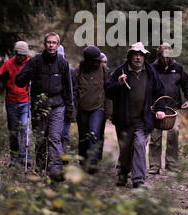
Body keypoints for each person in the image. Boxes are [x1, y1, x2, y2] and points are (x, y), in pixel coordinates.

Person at [105, 42, 166, 188]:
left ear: (144, 57)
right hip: (123, 119)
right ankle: (122, 174)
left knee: (139, 145)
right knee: (125, 148)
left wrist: (160, 109)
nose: (138, 57)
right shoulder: (120, 71)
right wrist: (118, 84)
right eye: (135, 54)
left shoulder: (151, 72)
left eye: (141, 55)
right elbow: (108, 91)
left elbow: (160, 92)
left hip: (143, 119)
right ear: (130, 56)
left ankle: (138, 179)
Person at [15, 32, 73, 181]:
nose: (51, 45)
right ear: (44, 44)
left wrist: (69, 108)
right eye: (49, 42)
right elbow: (19, 81)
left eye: (54, 43)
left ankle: (55, 170)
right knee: (40, 139)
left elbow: (68, 86)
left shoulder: (62, 62)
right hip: (39, 106)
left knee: (54, 138)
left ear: (58, 45)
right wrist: (29, 74)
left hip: (58, 106)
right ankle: (41, 168)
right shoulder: (35, 61)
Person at [148, 42, 188, 174]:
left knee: (174, 132)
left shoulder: (178, 68)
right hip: (157, 107)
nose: (166, 59)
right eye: (163, 57)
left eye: (168, 56)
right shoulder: (153, 68)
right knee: (155, 136)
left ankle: (171, 164)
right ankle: (154, 165)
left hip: (174, 107)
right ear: (159, 55)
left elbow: (187, 85)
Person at [0, 41, 31, 166]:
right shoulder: (8, 64)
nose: (19, 57)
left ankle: (25, 157)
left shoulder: (30, 64)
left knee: (24, 128)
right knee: (13, 132)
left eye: (22, 55)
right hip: (11, 102)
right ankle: (14, 158)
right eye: (17, 54)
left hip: (25, 102)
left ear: (25, 54)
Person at [73, 46, 112, 174]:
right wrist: (73, 113)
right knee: (84, 136)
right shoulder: (78, 71)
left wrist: (108, 112)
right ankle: (83, 162)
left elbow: (108, 91)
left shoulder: (103, 69)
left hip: (98, 108)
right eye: (96, 60)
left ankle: (93, 164)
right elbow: (74, 92)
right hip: (82, 109)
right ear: (89, 60)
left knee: (94, 133)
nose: (99, 62)